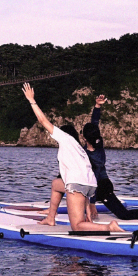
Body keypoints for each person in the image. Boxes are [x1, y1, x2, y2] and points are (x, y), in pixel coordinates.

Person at [22, 83, 123, 232]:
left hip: (78, 184)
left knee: (77, 226)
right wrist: (88, 210)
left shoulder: (64, 138)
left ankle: (109, 226)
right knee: (56, 184)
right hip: (90, 184)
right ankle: (51, 217)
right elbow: (86, 178)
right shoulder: (79, 148)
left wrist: (32, 100)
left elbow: (43, 121)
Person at [84, 95, 138, 220]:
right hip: (90, 187)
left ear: (84, 138)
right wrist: (98, 106)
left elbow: (94, 178)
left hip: (102, 187)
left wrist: (92, 203)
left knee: (124, 215)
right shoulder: (91, 144)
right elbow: (94, 123)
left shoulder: (96, 155)